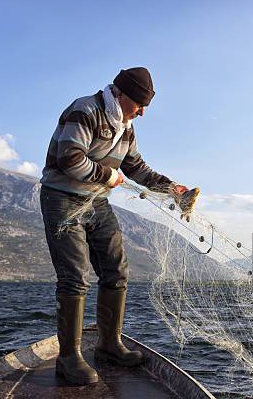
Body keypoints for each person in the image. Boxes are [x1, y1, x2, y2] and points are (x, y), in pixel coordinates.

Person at [39, 67, 188, 385]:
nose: (143, 112)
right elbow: (69, 158)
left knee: (116, 270)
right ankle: (68, 359)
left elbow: (135, 167)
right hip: (61, 198)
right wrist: (107, 176)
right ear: (120, 95)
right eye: (139, 105)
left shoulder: (127, 127)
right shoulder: (86, 109)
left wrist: (174, 190)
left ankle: (108, 345)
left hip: (96, 202)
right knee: (74, 277)